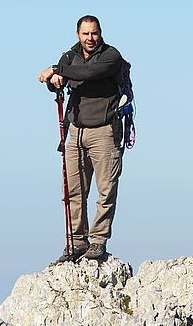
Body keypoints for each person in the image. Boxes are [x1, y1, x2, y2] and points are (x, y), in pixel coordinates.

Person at [38, 15, 125, 262]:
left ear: (100, 33)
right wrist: (55, 81)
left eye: (94, 33)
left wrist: (56, 70)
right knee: (74, 190)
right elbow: (60, 82)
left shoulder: (111, 56)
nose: (90, 38)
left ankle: (98, 241)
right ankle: (76, 242)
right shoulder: (69, 56)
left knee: (106, 189)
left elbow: (90, 72)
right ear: (78, 34)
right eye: (85, 33)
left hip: (105, 130)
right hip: (75, 130)